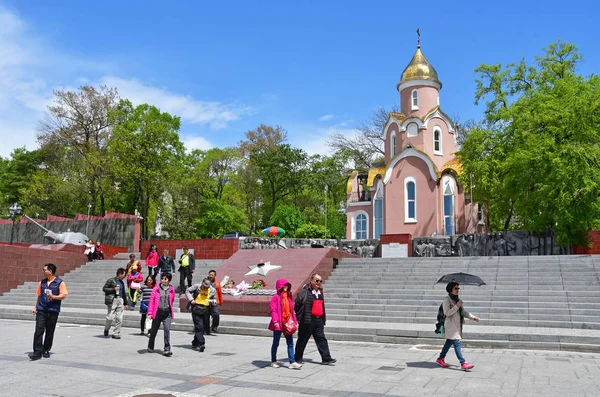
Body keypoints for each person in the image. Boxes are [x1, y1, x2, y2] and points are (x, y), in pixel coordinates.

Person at [435, 282, 480, 370]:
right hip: (451, 326)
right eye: (456, 288)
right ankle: (463, 363)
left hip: (457, 325)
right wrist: (457, 306)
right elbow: (447, 313)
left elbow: (463, 312)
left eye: (458, 288)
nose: (458, 290)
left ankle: (440, 358)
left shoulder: (457, 299)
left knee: (448, 343)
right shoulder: (446, 300)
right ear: (450, 289)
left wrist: (473, 317)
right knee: (456, 343)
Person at [294, 274, 336, 365]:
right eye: (317, 281)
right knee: (302, 339)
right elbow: (297, 304)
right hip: (307, 320)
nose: (318, 283)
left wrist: (323, 318)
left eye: (320, 281)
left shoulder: (320, 292)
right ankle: (297, 358)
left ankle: (326, 358)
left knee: (321, 339)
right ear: (312, 281)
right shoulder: (305, 291)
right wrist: (300, 317)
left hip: (318, 320)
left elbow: (322, 306)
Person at [29, 263, 68, 360]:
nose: (43, 271)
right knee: (39, 330)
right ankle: (37, 351)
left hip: (53, 310)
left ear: (50, 271)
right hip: (41, 310)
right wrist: (36, 307)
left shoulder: (60, 282)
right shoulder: (42, 282)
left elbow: (63, 295)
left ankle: (46, 349)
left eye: (44, 270)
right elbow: (39, 295)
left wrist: (54, 297)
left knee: (50, 331)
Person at [269, 279, 301, 369]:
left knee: (290, 343)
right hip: (279, 323)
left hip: (287, 323)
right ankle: (273, 360)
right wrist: (275, 321)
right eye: (284, 285)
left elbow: (292, 311)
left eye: (287, 285)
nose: (286, 287)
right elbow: (273, 310)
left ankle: (292, 362)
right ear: (280, 287)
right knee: (276, 342)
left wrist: (295, 321)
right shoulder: (275, 297)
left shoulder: (288, 297)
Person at [147, 272, 176, 356]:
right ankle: (150, 346)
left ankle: (167, 349)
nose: (163, 280)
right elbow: (151, 301)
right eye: (162, 278)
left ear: (169, 280)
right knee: (154, 330)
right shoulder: (156, 288)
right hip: (158, 312)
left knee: (167, 329)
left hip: (167, 312)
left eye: (165, 279)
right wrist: (150, 312)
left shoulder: (172, 289)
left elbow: (172, 300)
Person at [185, 278, 215, 352]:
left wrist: (213, 302)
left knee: (203, 327)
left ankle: (195, 342)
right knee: (199, 327)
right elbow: (187, 291)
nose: (205, 288)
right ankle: (201, 344)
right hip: (196, 308)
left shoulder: (212, 290)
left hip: (206, 309)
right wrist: (191, 299)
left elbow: (213, 298)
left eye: (207, 287)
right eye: (204, 286)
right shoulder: (197, 286)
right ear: (202, 283)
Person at [102, 268, 129, 339]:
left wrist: (125, 303)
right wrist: (113, 289)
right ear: (120, 274)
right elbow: (104, 289)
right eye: (124, 274)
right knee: (110, 317)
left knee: (119, 318)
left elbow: (123, 293)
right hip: (113, 300)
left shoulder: (122, 282)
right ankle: (106, 329)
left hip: (120, 300)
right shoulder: (111, 280)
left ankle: (116, 333)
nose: (125, 276)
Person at [207, 269, 223, 333]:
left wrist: (220, 301)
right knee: (206, 315)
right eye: (210, 274)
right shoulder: (205, 282)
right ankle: (206, 328)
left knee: (216, 314)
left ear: (215, 276)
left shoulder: (217, 283)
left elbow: (219, 293)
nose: (211, 276)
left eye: (212, 275)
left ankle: (214, 326)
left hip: (215, 302)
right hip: (206, 301)